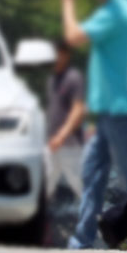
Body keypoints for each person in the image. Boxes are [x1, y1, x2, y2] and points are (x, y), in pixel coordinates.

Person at [60, 0, 127, 249]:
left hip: (120, 109)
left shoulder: (115, 12)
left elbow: (73, 37)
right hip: (112, 109)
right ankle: (83, 237)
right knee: (92, 172)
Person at [46, 40, 87, 200]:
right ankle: (37, 223)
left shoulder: (73, 77)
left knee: (82, 189)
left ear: (66, 55)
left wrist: (61, 136)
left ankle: (100, 221)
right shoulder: (53, 79)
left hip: (70, 145)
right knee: (44, 187)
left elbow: (78, 110)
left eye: (57, 54)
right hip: (53, 145)